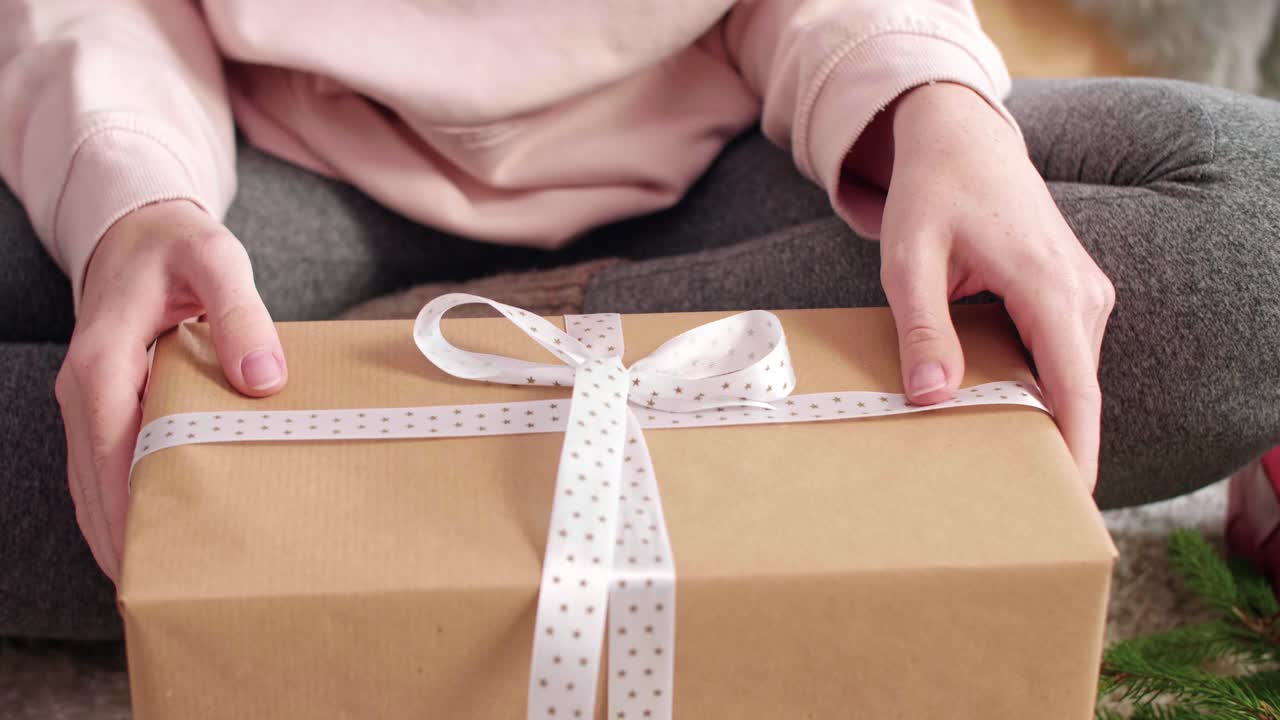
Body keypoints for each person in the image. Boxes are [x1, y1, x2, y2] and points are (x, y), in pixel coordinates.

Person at [1, 1, 1277, 641]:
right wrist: (129, 200)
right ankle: (402, 385)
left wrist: (928, 101)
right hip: (253, 152)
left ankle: (381, 392)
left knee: (1253, 225)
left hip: (733, 154)